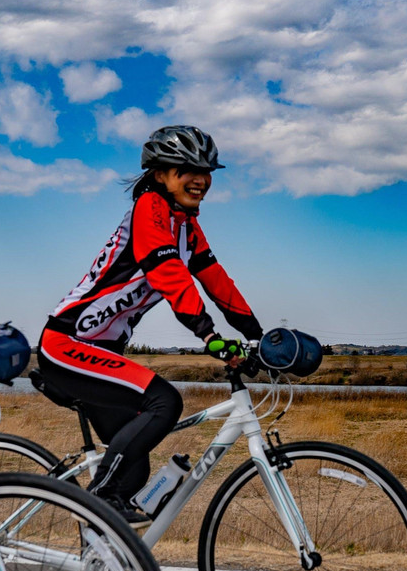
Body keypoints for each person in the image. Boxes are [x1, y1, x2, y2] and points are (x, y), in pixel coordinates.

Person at [38, 125, 262, 527]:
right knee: (165, 402)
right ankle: (99, 496)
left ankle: (99, 564)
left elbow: (215, 279)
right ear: (160, 174)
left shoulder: (185, 225)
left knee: (135, 468)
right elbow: (168, 273)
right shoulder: (150, 209)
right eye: (187, 169)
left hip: (103, 353)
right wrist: (209, 335)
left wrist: (257, 334)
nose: (201, 179)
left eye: (207, 170)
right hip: (68, 342)